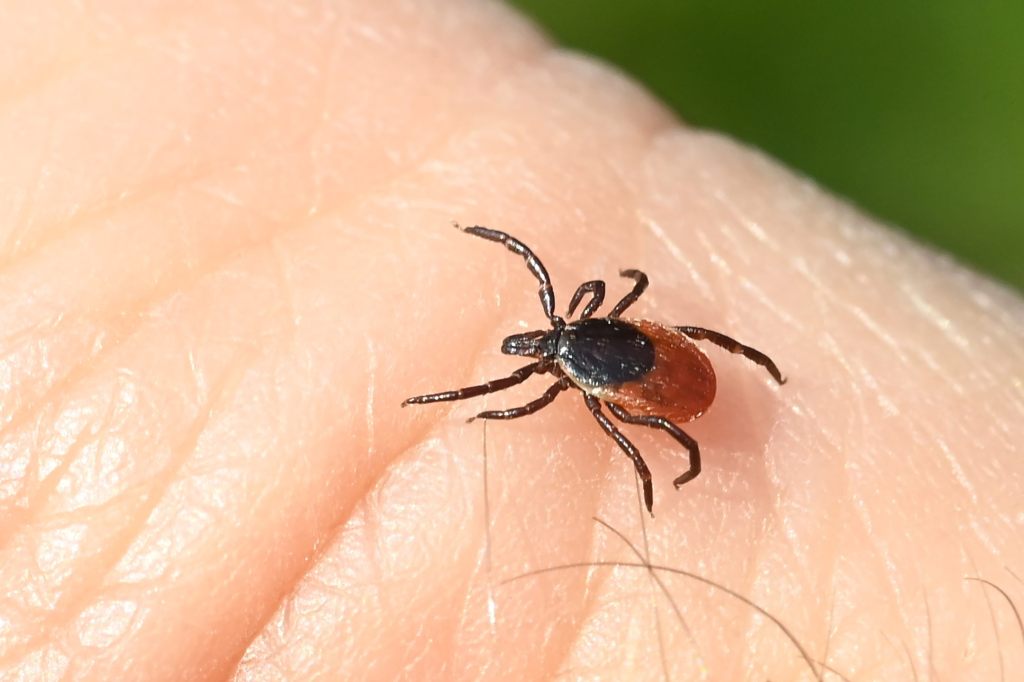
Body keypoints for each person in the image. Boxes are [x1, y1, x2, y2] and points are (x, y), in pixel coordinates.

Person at [1, 2, 1020, 679]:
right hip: (681, 375)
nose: (540, 336)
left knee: (672, 401)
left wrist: (513, 409)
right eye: (546, 333)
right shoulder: (597, 338)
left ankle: (697, 416)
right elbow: (658, 352)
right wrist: (673, 410)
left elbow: (633, 400)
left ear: (577, 326)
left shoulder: (580, 368)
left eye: (547, 330)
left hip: (679, 378)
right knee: (685, 382)